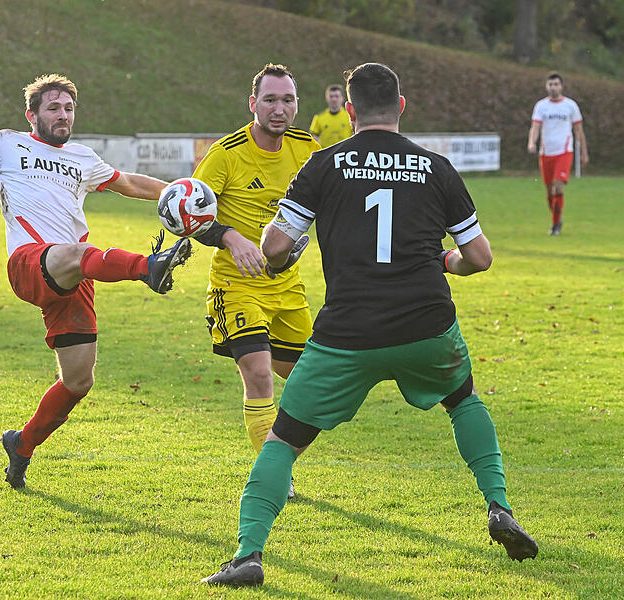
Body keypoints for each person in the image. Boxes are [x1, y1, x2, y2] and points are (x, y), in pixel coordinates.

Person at [202, 62, 538, 587]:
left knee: (284, 439)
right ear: (401, 106)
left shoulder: (323, 163)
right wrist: (443, 261)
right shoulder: (437, 167)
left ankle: (248, 555)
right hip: (427, 324)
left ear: (351, 110)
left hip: (348, 332)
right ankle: (499, 507)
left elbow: (275, 246)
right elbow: (479, 257)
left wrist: (282, 250)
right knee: (463, 400)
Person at [0, 74, 192, 489]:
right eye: (53, 108)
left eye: (68, 108)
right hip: (30, 262)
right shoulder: (8, 143)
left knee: (78, 381)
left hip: (74, 277)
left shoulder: (84, 158)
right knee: (77, 253)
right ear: (32, 115)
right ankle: (149, 267)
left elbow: (130, 183)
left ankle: (22, 444)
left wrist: (180, 192)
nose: (63, 115)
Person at [191, 64, 320, 499]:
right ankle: (275, 476)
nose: (279, 109)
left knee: (312, 386)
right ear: (253, 104)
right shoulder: (226, 154)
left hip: (288, 289)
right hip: (237, 285)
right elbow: (188, 213)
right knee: (260, 375)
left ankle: (278, 456)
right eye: (270, 100)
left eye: (287, 100)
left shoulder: (308, 149)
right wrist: (230, 237)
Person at [527, 72, 589, 235]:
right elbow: (535, 127)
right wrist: (531, 142)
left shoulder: (570, 106)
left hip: (564, 152)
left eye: (556, 84)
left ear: (561, 86)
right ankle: (557, 219)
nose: (553, 87)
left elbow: (579, 131)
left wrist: (584, 153)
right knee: (549, 191)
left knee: (558, 187)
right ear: (546, 87)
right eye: (550, 84)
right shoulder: (541, 106)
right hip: (546, 153)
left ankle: (555, 226)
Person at [309, 84, 352, 148]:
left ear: (342, 98)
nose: (334, 99)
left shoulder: (350, 116)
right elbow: (313, 137)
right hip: (326, 152)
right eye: (331, 96)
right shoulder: (319, 117)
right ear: (326, 98)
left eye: (336, 96)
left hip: (345, 151)